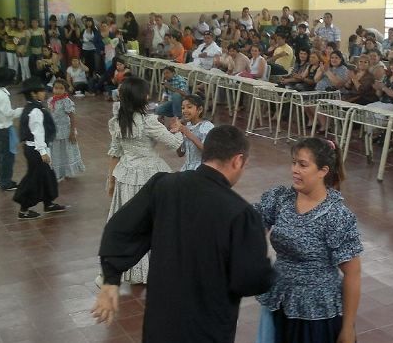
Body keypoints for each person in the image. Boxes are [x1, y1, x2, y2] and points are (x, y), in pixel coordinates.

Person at [93, 125, 273, 341]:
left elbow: (121, 228)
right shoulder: (241, 214)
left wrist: (111, 278)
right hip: (208, 327)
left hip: (162, 321)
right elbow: (250, 279)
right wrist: (270, 268)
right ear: (238, 160)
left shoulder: (164, 186)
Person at [255, 137, 362, 343]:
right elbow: (253, 224)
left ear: (323, 170)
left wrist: (348, 328)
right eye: (294, 163)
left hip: (316, 313)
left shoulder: (336, 215)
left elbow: (353, 273)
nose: (295, 169)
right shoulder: (281, 198)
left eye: (303, 165)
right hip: (280, 299)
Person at [102, 77, 185, 285]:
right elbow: (174, 143)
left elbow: (115, 152)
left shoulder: (118, 120)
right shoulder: (148, 121)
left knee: (129, 223)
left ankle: (129, 268)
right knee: (152, 223)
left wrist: (111, 180)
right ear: (142, 97)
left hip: (125, 174)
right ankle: (152, 269)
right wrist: (178, 129)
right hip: (149, 175)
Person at [13, 77, 67, 220]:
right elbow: (38, 133)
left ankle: (48, 203)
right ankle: (24, 209)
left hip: (34, 149)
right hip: (36, 150)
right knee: (34, 178)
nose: (44, 93)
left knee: (47, 175)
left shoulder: (32, 107)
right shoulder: (35, 111)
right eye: (41, 91)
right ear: (33, 94)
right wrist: (43, 152)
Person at [48, 79, 85, 182]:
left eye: (61, 88)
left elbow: (72, 117)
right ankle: (58, 172)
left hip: (66, 130)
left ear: (65, 90)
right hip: (55, 130)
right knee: (56, 151)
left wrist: (72, 132)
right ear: (52, 88)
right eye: (56, 88)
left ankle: (66, 171)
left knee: (67, 151)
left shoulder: (67, 101)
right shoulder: (51, 100)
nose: (58, 90)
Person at [177, 94, 214, 171]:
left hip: (202, 170)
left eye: (189, 107)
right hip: (187, 169)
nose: (185, 111)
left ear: (200, 109)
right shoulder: (187, 126)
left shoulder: (207, 126)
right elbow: (180, 153)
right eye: (183, 108)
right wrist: (177, 134)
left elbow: (208, 152)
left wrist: (188, 133)